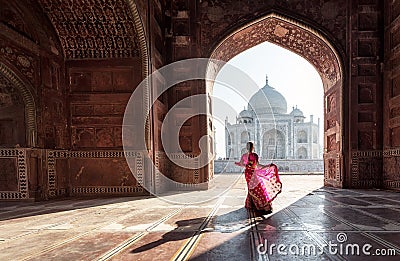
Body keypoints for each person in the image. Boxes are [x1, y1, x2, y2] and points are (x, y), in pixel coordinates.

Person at [235, 141, 282, 213]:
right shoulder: (254, 155)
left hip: (248, 173)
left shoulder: (244, 155)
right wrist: (267, 166)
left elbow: (241, 164)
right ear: (253, 147)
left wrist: (246, 166)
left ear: (246, 147)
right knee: (258, 188)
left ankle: (252, 204)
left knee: (253, 189)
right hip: (252, 173)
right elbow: (258, 166)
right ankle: (262, 205)